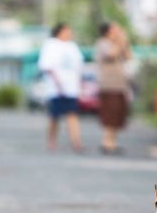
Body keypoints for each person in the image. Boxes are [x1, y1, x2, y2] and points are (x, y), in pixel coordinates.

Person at [38, 22, 84, 152]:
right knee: (54, 117)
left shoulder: (72, 46)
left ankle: (76, 142)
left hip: (71, 88)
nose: (70, 33)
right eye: (67, 31)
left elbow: (79, 67)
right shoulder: (51, 45)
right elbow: (46, 66)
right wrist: (57, 81)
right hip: (55, 89)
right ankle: (51, 141)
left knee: (72, 115)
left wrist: (79, 85)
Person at [95, 22, 132, 154]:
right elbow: (111, 54)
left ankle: (112, 142)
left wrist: (124, 43)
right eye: (115, 29)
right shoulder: (103, 43)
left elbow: (128, 57)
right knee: (109, 114)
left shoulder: (118, 44)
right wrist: (121, 41)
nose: (118, 31)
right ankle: (106, 142)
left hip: (121, 85)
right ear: (108, 31)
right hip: (108, 85)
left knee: (118, 115)